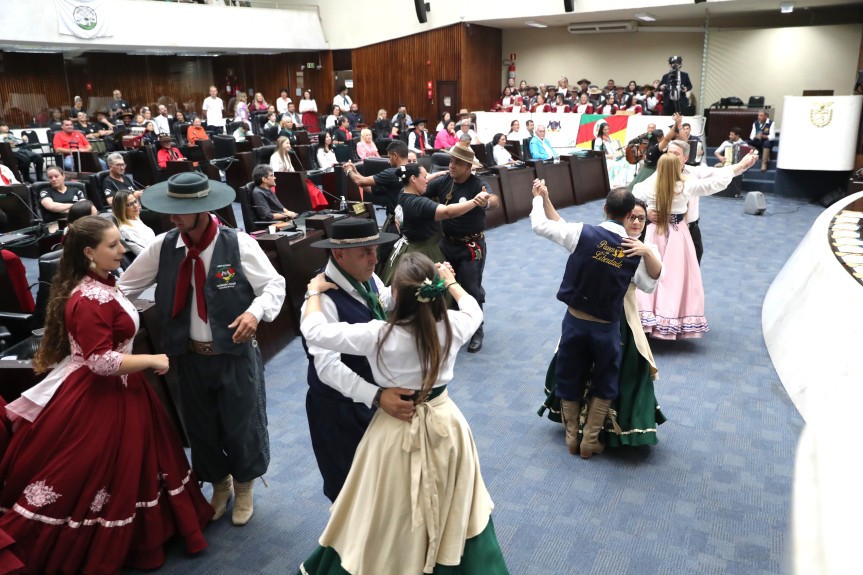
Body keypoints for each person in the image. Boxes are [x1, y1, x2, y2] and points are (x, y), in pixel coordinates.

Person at [0, 216, 213, 573]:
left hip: (124, 391)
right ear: (88, 252)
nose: (122, 250)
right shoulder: (88, 299)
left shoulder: (102, 284)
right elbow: (100, 362)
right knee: (96, 470)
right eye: (113, 245)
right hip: (99, 395)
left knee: (136, 463)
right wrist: (151, 358)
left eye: (120, 242)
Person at [298, 252, 509, 575]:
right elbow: (474, 308)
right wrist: (451, 282)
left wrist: (314, 292)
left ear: (394, 295)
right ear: (435, 289)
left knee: (390, 504)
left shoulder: (378, 334)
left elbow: (314, 331)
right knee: (454, 497)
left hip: (395, 427)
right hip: (445, 423)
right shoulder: (453, 325)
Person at [118, 172, 286, 527]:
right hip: (189, 355)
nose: (172, 217)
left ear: (202, 209)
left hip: (235, 354)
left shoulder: (236, 244)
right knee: (201, 428)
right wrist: (153, 301)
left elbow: (274, 284)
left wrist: (255, 313)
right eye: (170, 209)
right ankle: (220, 484)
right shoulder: (163, 247)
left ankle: (244, 486)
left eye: (180, 210)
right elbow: (124, 289)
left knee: (242, 425)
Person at [531, 184, 661, 458]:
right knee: (606, 377)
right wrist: (647, 252)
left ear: (605, 209)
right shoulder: (632, 250)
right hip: (607, 326)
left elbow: (541, 225)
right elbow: (649, 285)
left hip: (575, 321)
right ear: (629, 216)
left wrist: (537, 200)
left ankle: (571, 437)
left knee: (569, 371)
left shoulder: (582, 233)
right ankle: (590, 440)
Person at [301, 218, 404, 502]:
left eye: (375, 250)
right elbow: (327, 368)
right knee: (350, 489)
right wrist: (377, 396)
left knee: (381, 482)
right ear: (338, 254)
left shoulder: (366, 275)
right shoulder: (322, 300)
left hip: (371, 398)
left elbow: (381, 301)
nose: (374, 260)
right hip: (339, 410)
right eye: (365, 253)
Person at [633, 151, 756, 339]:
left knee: (649, 272)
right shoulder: (685, 186)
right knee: (675, 277)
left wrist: (648, 211)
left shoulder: (648, 185)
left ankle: (646, 318)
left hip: (653, 234)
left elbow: (633, 195)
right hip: (676, 235)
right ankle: (668, 319)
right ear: (677, 168)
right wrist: (739, 167)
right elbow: (713, 183)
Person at [423, 145, 498, 353]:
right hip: (447, 243)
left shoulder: (478, 184)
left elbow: (494, 201)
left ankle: (476, 329)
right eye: (451, 161)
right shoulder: (445, 180)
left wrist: (485, 202)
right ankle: (451, 325)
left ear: (468, 167)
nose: (451, 165)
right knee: (443, 285)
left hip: (471, 246)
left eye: (457, 163)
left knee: (470, 287)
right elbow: (421, 193)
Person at [382, 162, 490, 285]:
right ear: (413, 179)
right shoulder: (417, 203)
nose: (427, 180)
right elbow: (447, 212)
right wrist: (475, 201)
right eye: (424, 177)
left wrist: (438, 174)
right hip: (424, 253)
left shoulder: (403, 193)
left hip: (408, 249)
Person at [112, 190, 155, 255]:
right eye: (130, 204)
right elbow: (144, 254)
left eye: (135, 201)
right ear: (121, 209)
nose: (135, 205)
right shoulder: (125, 230)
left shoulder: (136, 218)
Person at [593, 121, 630, 188]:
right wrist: (607, 156)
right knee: (615, 165)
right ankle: (614, 184)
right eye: (605, 129)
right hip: (605, 158)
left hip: (613, 156)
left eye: (608, 129)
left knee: (625, 162)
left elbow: (614, 148)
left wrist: (620, 150)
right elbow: (597, 153)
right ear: (601, 130)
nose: (607, 131)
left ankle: (624, 182)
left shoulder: (610, 137)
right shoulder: (598, 140)